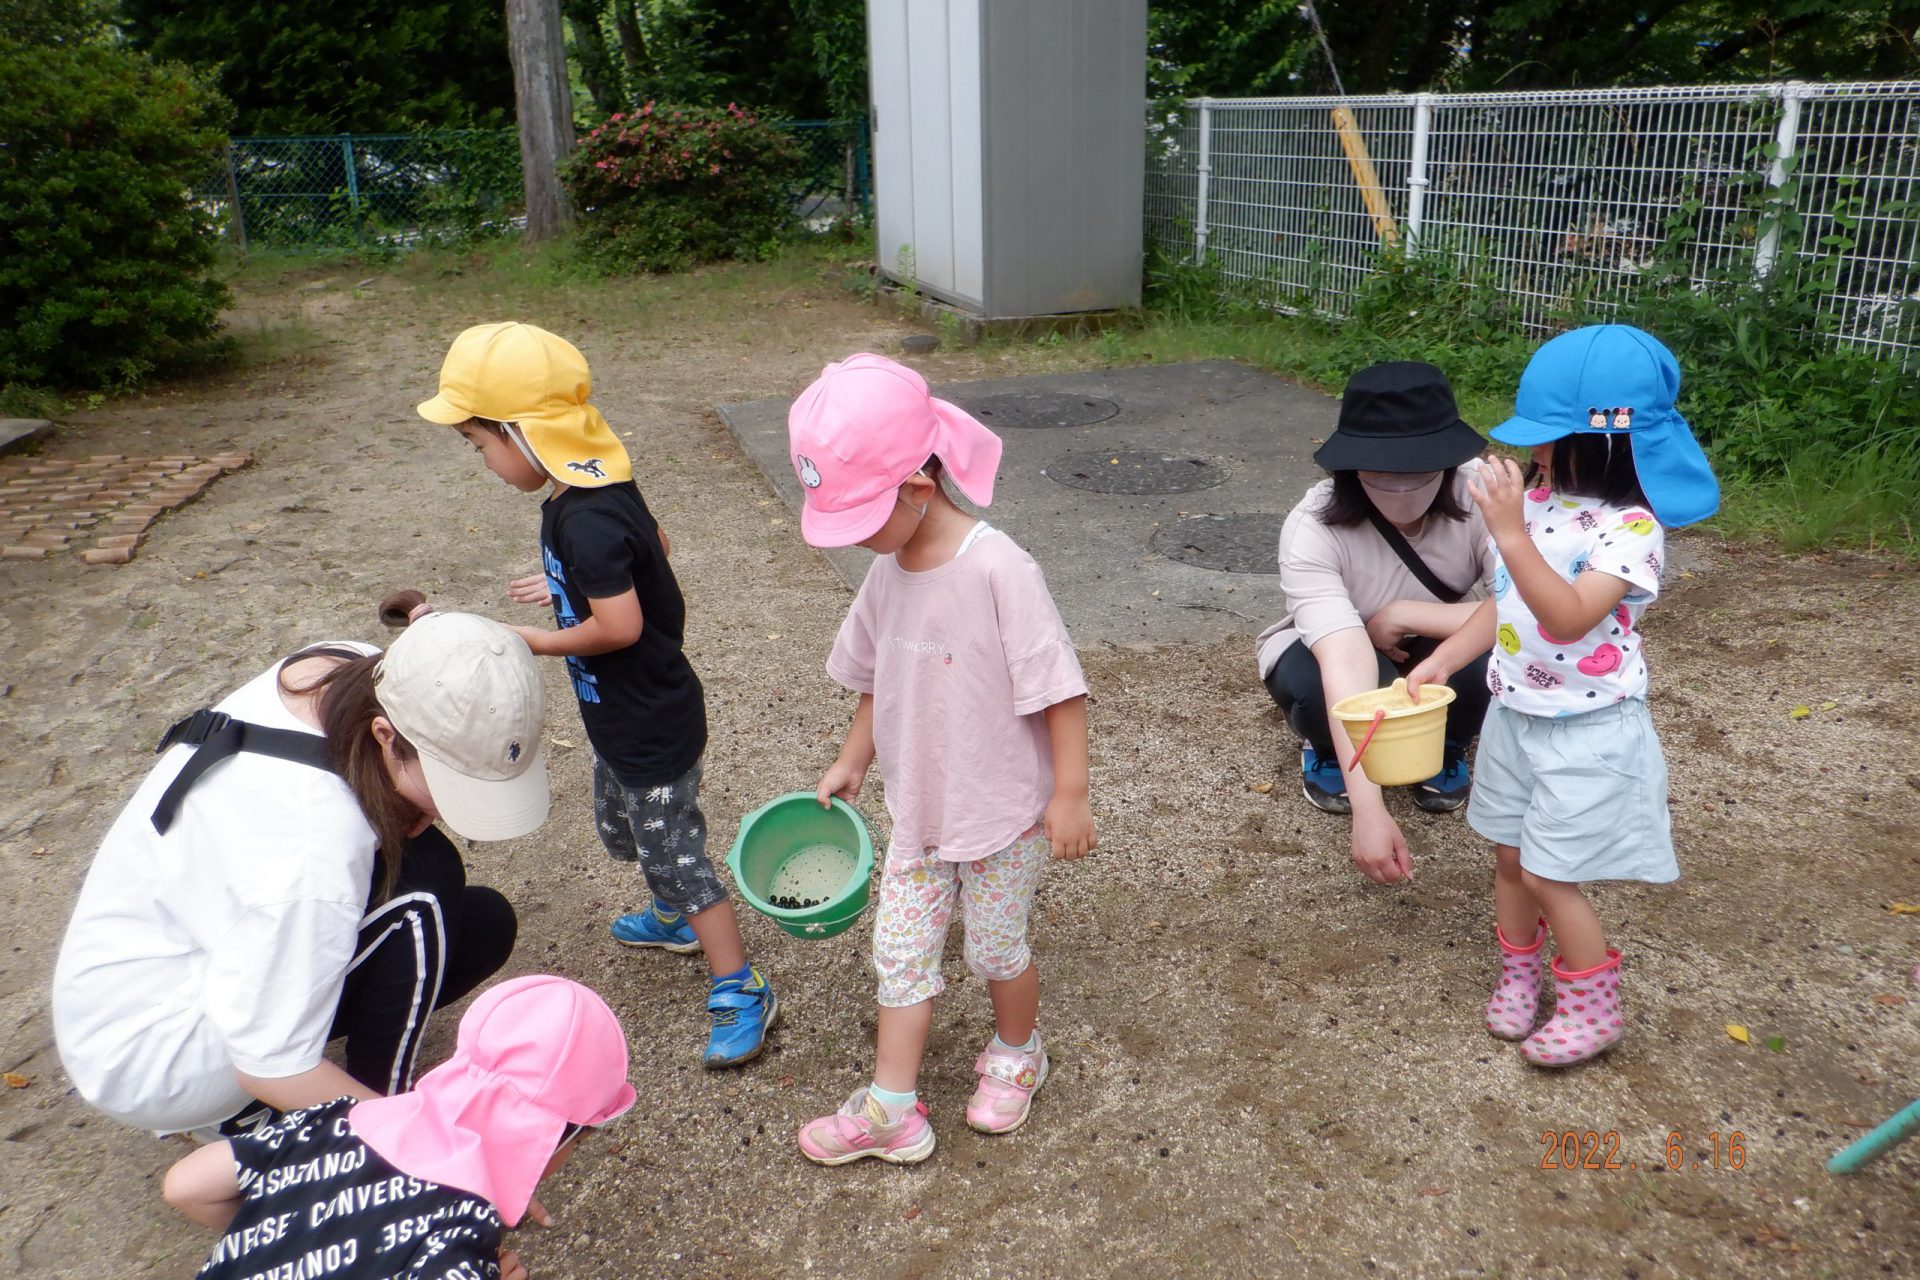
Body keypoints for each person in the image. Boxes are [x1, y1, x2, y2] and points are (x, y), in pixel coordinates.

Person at [418, 320, 776, 1068]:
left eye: (480, 444)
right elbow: (655, 548)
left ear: (522, 432)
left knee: (676, 855)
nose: (484, 461)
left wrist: (529, 637)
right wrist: (574, 586)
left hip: (648, 722)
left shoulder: (583, 517)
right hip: (622, 716)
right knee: (625, 830)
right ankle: (672, 917)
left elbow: (619, 627)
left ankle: (740, 986)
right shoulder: (592, 484)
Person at [52, 610, 543, 1138]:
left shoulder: (348, 667)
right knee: (422, 891)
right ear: (385, 736)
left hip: (129, 982)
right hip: (160, 1059)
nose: (449, 806)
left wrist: (412, 801)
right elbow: (271, 1065)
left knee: (478, 920)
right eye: (450, 783)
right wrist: (416, 1141)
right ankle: (339, 1121)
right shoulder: (312, 855)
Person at [786, 354, 1096, 1166]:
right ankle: (892, 1107)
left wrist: (1069, 793)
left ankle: (1017, 1053)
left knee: (995, 949)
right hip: (919, 812)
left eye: (859, 518)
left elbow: (1059, 689)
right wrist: (852, 759)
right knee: (899, 955)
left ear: (918, 488)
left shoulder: (999, 568)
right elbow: (875, 679)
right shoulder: (886, 576)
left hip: (1003, 815)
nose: (855, 539)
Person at [1406, 324, 1719, 1067]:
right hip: (1515, 716)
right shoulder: (1541, 503)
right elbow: (1506, 602)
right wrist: (1444, 658)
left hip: (1589, 730)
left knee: (1550, 872)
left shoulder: (1633, 528)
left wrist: (1510, 535)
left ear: (1609, 440)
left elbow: (1570, 616)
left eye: (1551, 438)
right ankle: (1519, 973)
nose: (1536, 453)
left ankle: (1592, 1005)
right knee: (1510, 856)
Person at [163, 974, 636, 1280]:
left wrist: (280, 1240)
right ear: (556, 1139)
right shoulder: (457, 1233)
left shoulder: (331, 1119)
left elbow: (186, 1186)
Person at [1255, 361, 1496, 885]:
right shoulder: (1312, 525)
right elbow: (1343, 657)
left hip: (1438, 642)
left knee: (1492, 662)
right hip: (1332, 646)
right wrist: (1369, 811)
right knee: (1323, 691)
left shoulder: (1482, 493)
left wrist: (1406, 614)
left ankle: (1446, 747)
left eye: (1420, 473)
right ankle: (1330, 753)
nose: (1401, 490)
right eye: (1381, 475)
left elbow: (1525, 607)